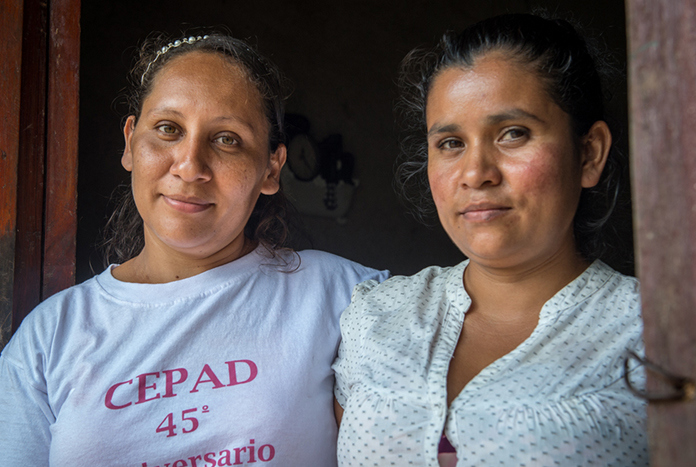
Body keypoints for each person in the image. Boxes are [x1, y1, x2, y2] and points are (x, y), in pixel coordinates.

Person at [0, 32, 387, 466]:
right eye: (168, 129)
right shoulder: (49, 338)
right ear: (130, 142)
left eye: (227, 139)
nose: (189, 165)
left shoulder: (342, 298)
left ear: (271, 169)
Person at [333, 14, 647, 466]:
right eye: (450, 143)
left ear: (589, 153)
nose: (477, 173)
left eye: (513, 134)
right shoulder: (376, 317)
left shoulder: (654, 335)